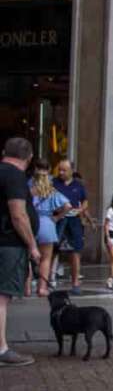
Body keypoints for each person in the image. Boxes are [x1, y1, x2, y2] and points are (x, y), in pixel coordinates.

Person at [0, 138, 39, 366]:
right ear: (29, 157)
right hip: (8, 244)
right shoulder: (14, 176)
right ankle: (1, 350)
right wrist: (32, 245)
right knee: (2, 296)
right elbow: (18, 215)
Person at [29, 160, 69, 297]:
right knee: (46, 258)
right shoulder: (51, 190)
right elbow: (68, 206)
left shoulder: (29, 189)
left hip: (31, 223)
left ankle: (26, 287)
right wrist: (57, 217)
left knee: (27, 257)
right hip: (47, 223)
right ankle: (42, 288)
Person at [53, 159, 91, 295]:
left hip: (74, 221)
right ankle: (47, 281)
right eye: (60, 170)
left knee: (75, 251)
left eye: (64, 170)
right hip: (58, 219)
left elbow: (85, 201)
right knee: (52, 249)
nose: (61, 172)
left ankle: (75, 283)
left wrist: (81, 210)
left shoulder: (78, 185)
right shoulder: (53, 183)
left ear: (71, 171)